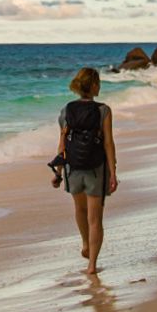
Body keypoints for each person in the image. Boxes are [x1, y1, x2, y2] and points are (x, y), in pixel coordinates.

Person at [56, 67, 117, 275]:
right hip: (95, 170)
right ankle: (91, 265)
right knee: (95, 219)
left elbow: (62, 144)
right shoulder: (103, 111)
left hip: (73, 169)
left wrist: (57, 172)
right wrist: (113, 171)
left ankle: (84, 242)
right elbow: (108, 143)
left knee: (80, 210)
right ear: (92, 86)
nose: (99, 86)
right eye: (98, 83)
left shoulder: (66, 110)